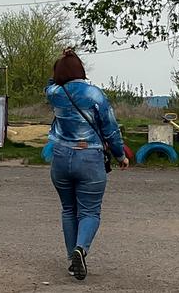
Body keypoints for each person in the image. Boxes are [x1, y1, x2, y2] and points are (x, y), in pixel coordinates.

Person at [45, 47, 128, 280]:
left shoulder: (54, 92)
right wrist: (120, 155)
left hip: (60, 157)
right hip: (89, 157)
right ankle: (80, 250)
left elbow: (51, 81)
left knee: (69, 210)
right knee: (90, 211)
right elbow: (110, 129)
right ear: (81, 71)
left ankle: (72, 259)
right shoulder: (95, 94)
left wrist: (63, 60)